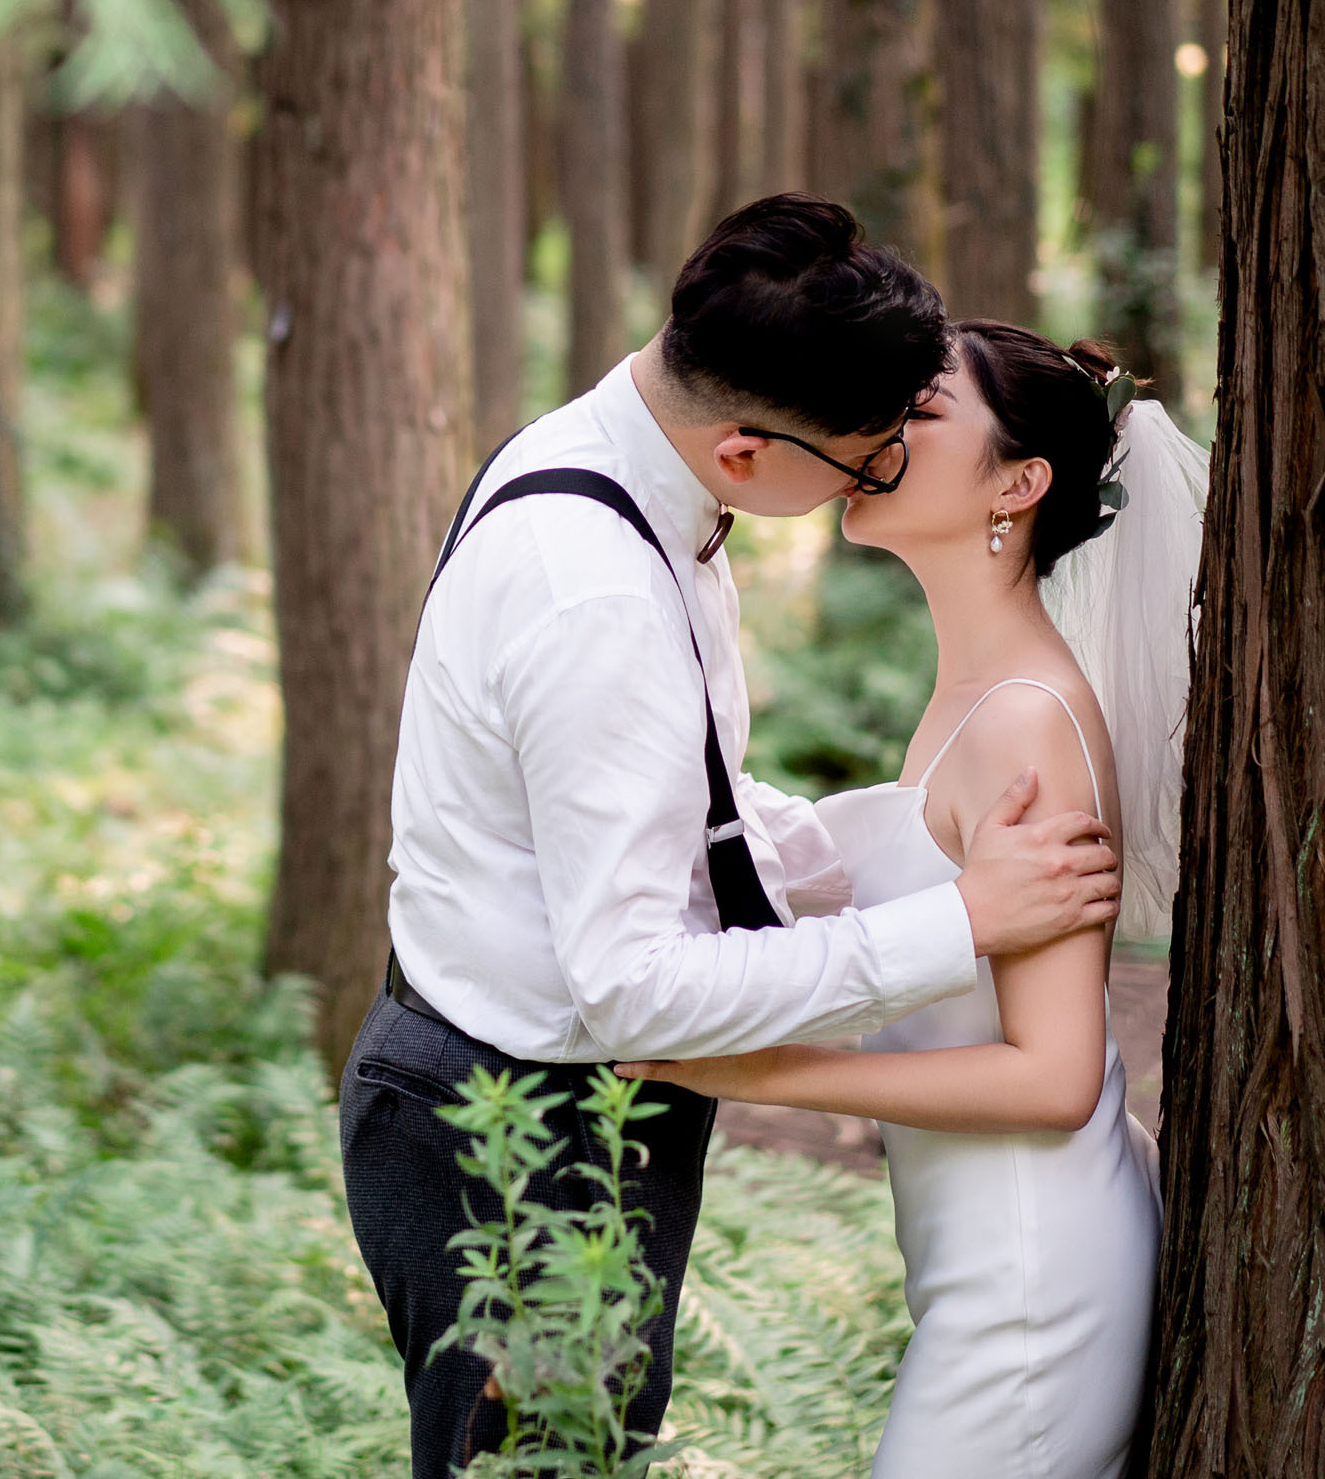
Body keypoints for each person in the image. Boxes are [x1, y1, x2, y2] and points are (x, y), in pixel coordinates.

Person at [339, 198, 1126, 1478]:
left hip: (573, 1097)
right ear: (748, 451)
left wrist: (895, 854)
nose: (878, 478)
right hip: (512, 1133)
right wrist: (957, 920)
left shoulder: (634, 472)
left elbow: (689, 805)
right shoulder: (593, 591)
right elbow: (636, 990)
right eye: (868, 458)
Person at [622, 319, 1209, 1478]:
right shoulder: (972, 695)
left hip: (1035, 1285)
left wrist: (763, 1071)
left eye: (921, 413)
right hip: (981, 1257)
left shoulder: (1027, 717)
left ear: (1019, 483)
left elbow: (1051, 1076)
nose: (875, 434)